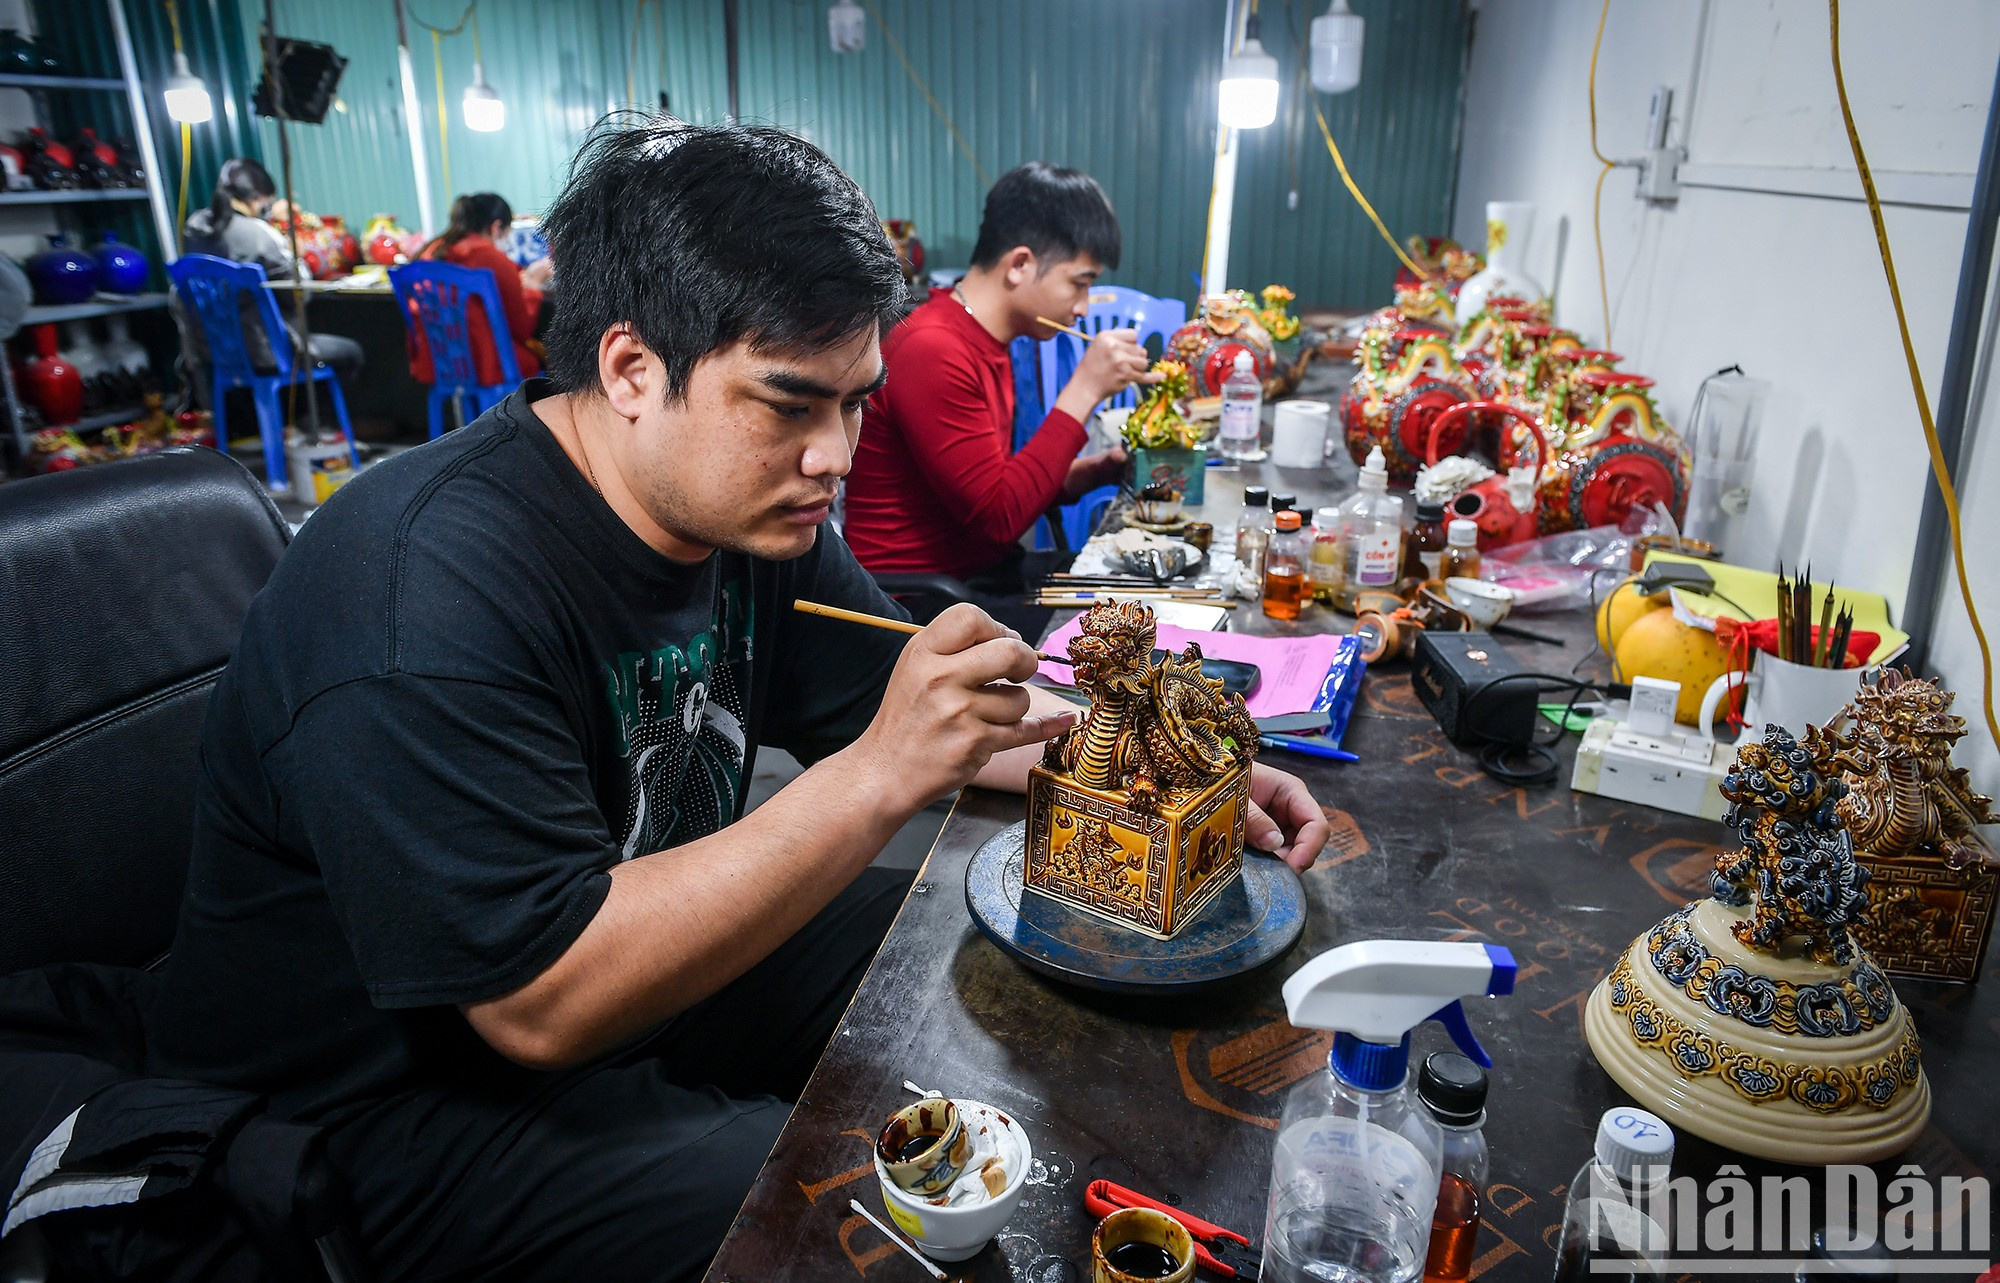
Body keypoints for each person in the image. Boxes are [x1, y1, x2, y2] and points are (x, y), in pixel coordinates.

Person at [131, 117, 1334, 1281]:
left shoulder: (746, 515)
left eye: (853, 401)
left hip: (633, 969)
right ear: (630, 369)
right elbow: (539, 1000)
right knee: (851, 1208)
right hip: (387, 1099)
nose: (837, 456)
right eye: (789, 403)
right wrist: (874, 773)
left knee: (993, 952)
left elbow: (943, 713)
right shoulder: (419, 592)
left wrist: (1160, 768)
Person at [842, 162, 1153, 602]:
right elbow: (999, 517)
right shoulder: (932, 348)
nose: (1083, 307)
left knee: (1137, 591)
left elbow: (993, 485)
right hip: (924, 602)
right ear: (1020, 264)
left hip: (980, 574)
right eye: (1079, 284)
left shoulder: (986, 337)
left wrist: (1093, 472)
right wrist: (1085, 388)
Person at [176, 156, 364, 387]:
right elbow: (299, 295)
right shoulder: (259, 234)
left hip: (216, 351)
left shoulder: (195, 228)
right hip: (266, 352)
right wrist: (295, 254)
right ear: (259, 198)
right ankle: (314, 410)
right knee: (352, 353)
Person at [409, 191, 553, 387]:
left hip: (437, 361)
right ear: (496, 227)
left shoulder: (430, 251)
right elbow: (523, 329)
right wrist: (534, 283)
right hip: (485, 364)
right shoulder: (490, 257)